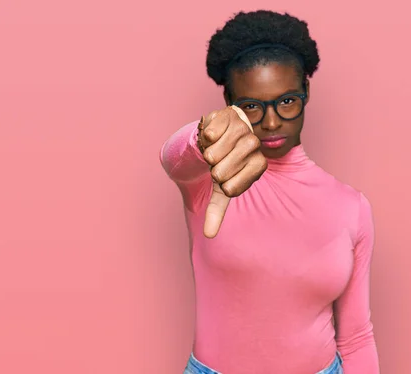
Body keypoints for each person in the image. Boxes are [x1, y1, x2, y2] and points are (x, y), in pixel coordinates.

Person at [160, 10, 380, 374]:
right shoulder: (209, 177)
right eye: (251, 106)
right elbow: (173, 158)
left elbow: (357, 336)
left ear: (306, 92)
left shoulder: (351, 207)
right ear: (230, 103)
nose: (273, 121)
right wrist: (205, 135)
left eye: (287, 101)